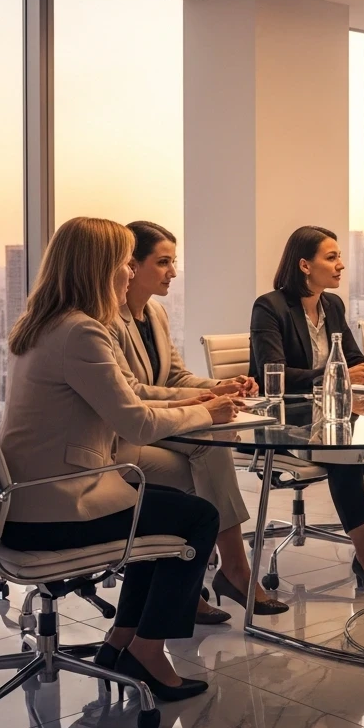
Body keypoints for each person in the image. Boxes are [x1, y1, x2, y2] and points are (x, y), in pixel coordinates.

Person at [0, 217, 239, 701]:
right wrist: (205, 411)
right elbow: (136, 424)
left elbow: (128, 400)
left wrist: (196, 404)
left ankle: (122, 641)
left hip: (25, 506)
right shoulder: (81, 332)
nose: (131, 272)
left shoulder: (45, 325)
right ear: (101, 268)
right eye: (124, 262)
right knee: (197, 518)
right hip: (55, 512)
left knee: (162, 510)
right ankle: (148, 650)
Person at [113, 220, 287, 619]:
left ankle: (192, 584)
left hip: (162, 424)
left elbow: (175, 377)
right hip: (134, 428)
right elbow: (132, 394)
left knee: (203, 455)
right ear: (132, 266)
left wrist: (219, 384)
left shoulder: (154, 313)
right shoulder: (108, 321)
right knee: (207, 452)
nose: (173, 272)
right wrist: (206, 398)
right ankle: (235, 569)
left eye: (173, 262)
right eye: (163, 262)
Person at [250, 226, 364, 596]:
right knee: (346, 457)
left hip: (333, 418)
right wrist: (336, 374)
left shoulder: (331, 305)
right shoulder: (269, 307)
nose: (341, 265)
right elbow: (274, 372)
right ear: (304, 265)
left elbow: (352, 357)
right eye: (331, 257)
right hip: (286, 424)